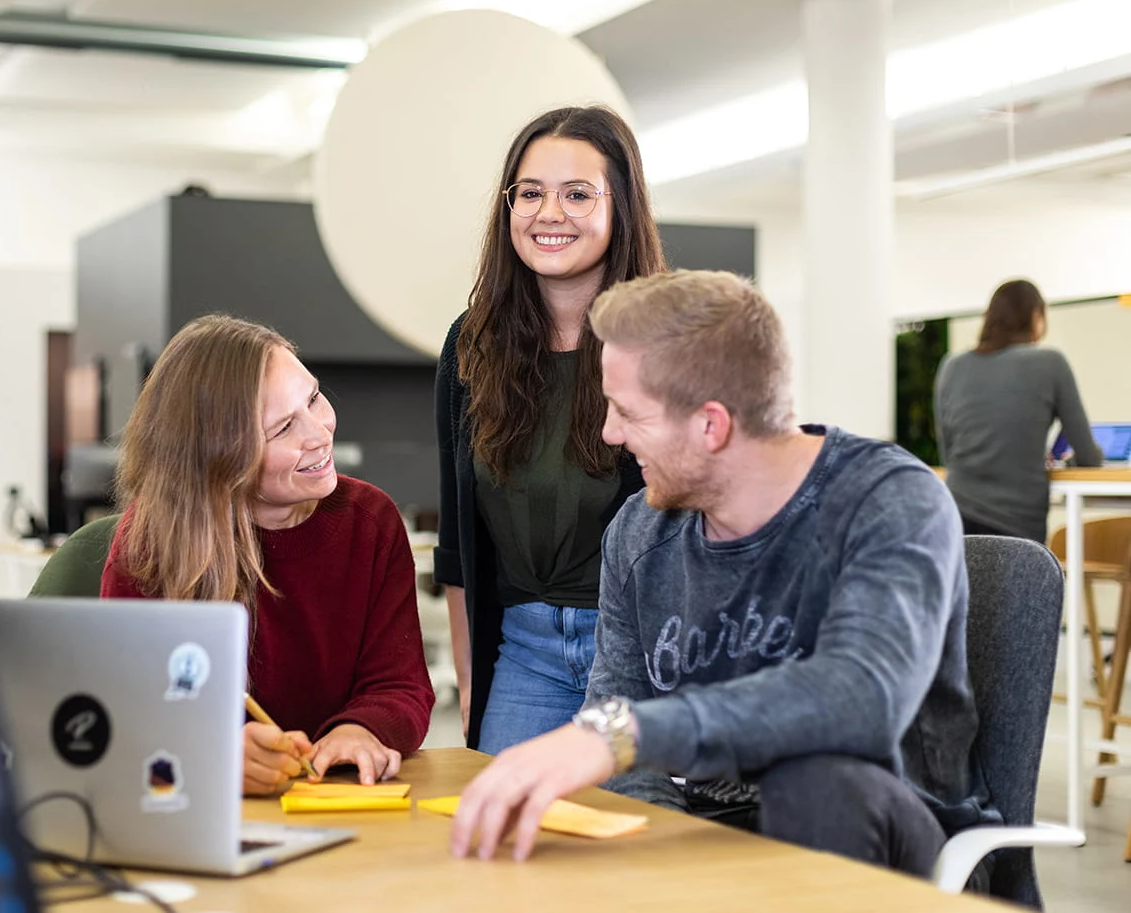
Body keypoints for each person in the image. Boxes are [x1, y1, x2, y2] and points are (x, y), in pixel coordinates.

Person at [450, 270, 996, 878]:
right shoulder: (637, 533)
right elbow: (631, 760)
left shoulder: (887, 501)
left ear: (712, 425)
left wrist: (620, 733)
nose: (609, 433)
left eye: (628, 412)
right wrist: (663, 857)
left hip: (888, 842)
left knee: (815, 780)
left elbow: (860, 700)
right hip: (720, 840)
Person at [100, 315, 435, 794]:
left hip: (336, 803)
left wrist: (359, 732)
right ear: (219, 459)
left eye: (314, 398)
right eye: (282, 430)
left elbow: (399, 685)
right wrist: (211, 749)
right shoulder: (152, 542)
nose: (319, 433)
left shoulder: (370, 520)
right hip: (201, 812)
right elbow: (128, 707)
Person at [435, 104, 664, 753]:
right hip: (524, 655)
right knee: (503, 843)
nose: (549, 213)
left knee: (632, 847)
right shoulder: (472, 344)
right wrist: (472, 683)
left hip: (638, 653)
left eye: (577, 194)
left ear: (621, 206)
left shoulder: (666, 337)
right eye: (530, 193)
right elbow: (458, 543)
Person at [935, 278, 1102, 542]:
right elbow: (1089, 457)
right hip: (1018, 531)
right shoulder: (1050, 363)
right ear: (1036, 317)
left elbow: (948, 452)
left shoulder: (951, 366)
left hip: (954, 521)